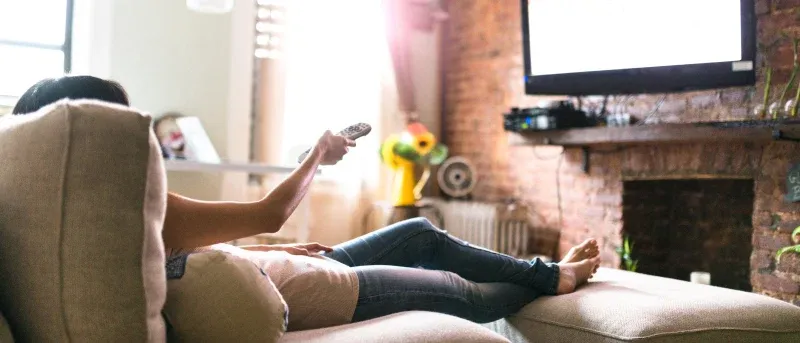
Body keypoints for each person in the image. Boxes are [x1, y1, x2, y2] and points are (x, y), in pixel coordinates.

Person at [12, 76, 601, 330]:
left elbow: (191, 256)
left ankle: (546, 272)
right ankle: (552, 278)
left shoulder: (82, 224)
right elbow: (269, 210)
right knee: (466, 297)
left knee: (420, 235)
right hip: (316, 292)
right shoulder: (123, 217)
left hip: (286, 267)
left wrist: (278, 248)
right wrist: (318, 155)